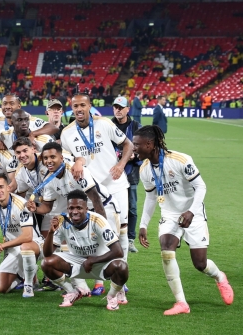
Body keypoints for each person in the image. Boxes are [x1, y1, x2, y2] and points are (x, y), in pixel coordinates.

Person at [133, 125, 233, 315]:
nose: (133, 148)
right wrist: (143, 225)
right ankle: (181, 303)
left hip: (192, 212)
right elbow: (151, 197)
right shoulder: (145, 169)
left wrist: (191, 212)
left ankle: (220, 277)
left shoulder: (180, 160)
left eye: (137, 145)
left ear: (149, 144)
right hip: (169, 215)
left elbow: (201, 186)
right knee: (166, 248)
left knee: (200, 264)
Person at [60, 93, 133, 296]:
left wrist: (121, 164)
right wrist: (78, 160)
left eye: (83, 105)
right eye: (75, 106)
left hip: (116, 184)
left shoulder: (105, 124)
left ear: (89, 106)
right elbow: (67, 158)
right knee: (98, 233)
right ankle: (100, 279)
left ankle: (120, 280)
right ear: (72, 108)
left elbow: (129, 144)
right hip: (91, 190)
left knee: (122, 231)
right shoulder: (66, 133)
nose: (79, 109)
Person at [41, 190, 129, 310]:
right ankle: (72, 292)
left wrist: (93, 260)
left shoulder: (98, 221)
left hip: (101, 263)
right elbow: (47, 254)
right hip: (77, 262)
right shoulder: (63, 221)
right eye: (71, 208)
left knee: (122, 266)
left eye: (79, 208)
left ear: (87, 209)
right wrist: (51, 233)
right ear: (67, 209)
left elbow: (118, 251)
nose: (75, 212)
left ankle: (112, 296)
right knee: (47, 263)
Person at [0, 174, 43, 297]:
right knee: (1, 288)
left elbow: (27, 236)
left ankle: (28, 284)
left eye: (1, 187)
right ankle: (21, 276)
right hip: (13, 247)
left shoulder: (21, 205)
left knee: (25, 247)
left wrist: (2, 246)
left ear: (8, 188)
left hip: (34, 244)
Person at [111, 96, 142, 253]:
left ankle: (129, 240)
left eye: (121, 107)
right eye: (115, 107)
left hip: (130, 173)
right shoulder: (108, 125)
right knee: (109, 205)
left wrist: (134, 155)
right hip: (111, 174)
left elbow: (143, 149)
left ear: (127, 109)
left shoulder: (136, 126)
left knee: (131, 208)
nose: (118, 110)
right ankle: (111, 237)